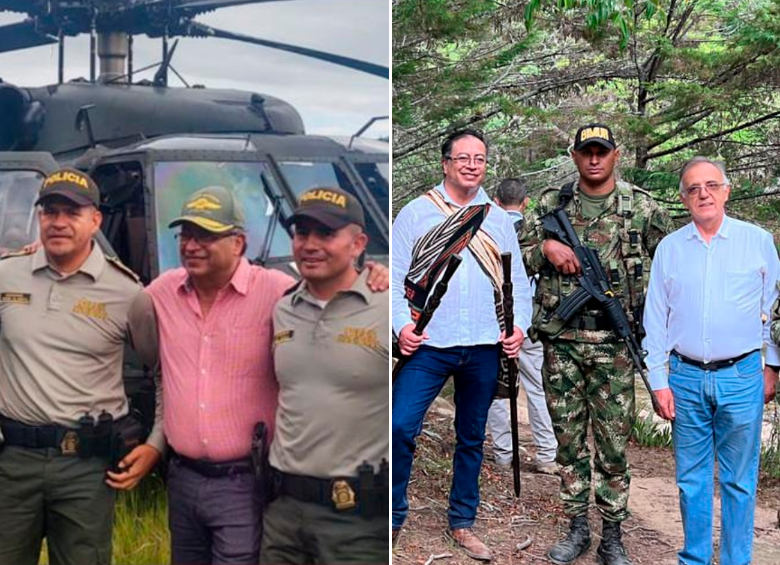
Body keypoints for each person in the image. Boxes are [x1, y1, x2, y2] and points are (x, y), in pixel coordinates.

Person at [145, 186, 388, 565]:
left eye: (207, 236)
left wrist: (379, 273)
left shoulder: (276, 292)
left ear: (238, 242)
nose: (192, 246)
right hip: (235, 492)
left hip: (272, 486)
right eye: (301, 233)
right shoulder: (163, 293)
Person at [520, 124, 674, 565]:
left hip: (614, 344)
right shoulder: (551, 202)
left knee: (612, 444)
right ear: (574, 156)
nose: (593, 159)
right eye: (586, 151)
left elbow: (667, 268)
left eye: (601, 152)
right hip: (562, 341)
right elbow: (520, 247)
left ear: (615, 155)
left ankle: (612, 534)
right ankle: (576, 528)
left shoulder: (641, 207)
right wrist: (547, 246)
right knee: (568, 441)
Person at [0, 168, 163, 565]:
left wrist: (155, 445)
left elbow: (162, 375)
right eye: (49, 211)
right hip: (13, 462)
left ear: (95, 220)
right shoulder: (6, 275)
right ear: (37, 217)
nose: (58, 222)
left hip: (85, 468)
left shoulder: (128, 293)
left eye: (72, 213)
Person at [392, 129, 532, 562]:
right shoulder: (417, 213)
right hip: (430, 344)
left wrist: (518, 327)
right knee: (398, 427)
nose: (472, 165)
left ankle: (462, 521)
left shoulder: (497, 219)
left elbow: (519, 285)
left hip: (485, 345)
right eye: (464, 158)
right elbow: (394, 277)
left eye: (480, 159)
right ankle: (392, 518)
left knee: (471, 436)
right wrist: (401, 326)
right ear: (446, 163)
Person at [643, 156, 780, 565]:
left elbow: (774, 309)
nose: (702, 193)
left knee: (739, 479)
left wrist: (772, 365)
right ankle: (696, 559)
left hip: (741, 375)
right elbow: (655, 318)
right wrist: (658, 379)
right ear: (683, 198)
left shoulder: (757, 241)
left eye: (710, 185)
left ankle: (737, 560)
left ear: (726, 190)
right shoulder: (670, 249)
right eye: (692, 188)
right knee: (692, 480)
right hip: (684, 377)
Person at [261, 187, 388, 564]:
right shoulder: (282, 308)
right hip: (283, 513)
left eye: (326, 234)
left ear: (358, 243)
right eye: (302, 233)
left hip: (356, 518)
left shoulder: (387, 308)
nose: (310, 245)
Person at [486, 178, 558, 475]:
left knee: (498, 387)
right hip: (530, 318)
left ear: (495, 199)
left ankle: (504, 455)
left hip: (496, 317)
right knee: (538, 387)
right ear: (525, 202)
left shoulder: (489, 228)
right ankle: (546, 454)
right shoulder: (536, 232)